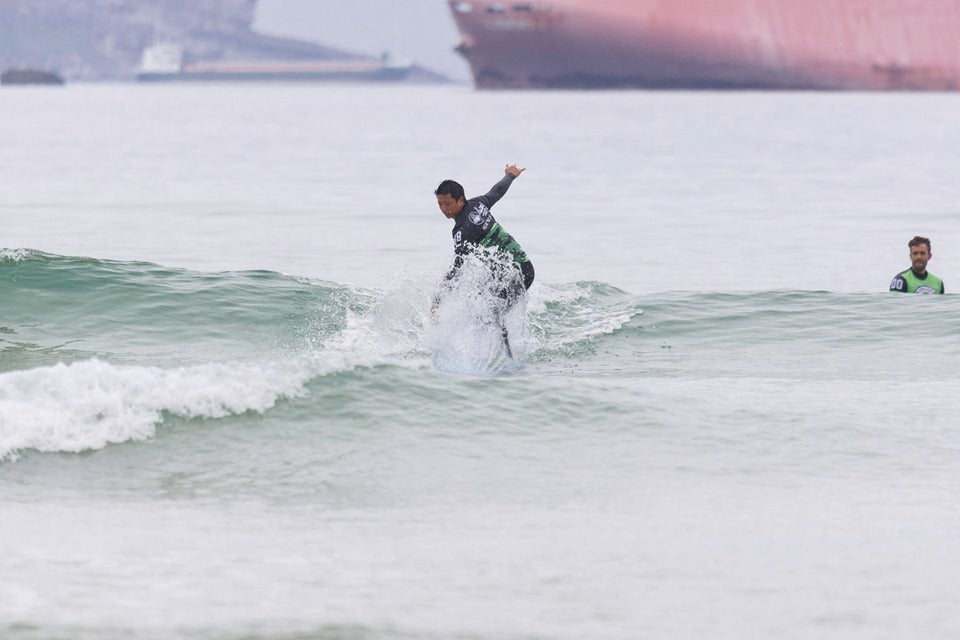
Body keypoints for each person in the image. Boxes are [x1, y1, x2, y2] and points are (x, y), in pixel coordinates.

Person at [432, 164, 535, 355]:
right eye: (440, 204)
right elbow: (497, 191)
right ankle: (492, 348)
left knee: (492, 311)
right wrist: (510, 176)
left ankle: (505, 357)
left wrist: (438, 299)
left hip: (520, 275)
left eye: (447, 204)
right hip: (521, 268)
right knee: (481, 299)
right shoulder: (478, 204)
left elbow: (457, 266)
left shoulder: (463, 231)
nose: (444, 209)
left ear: (460, 200)